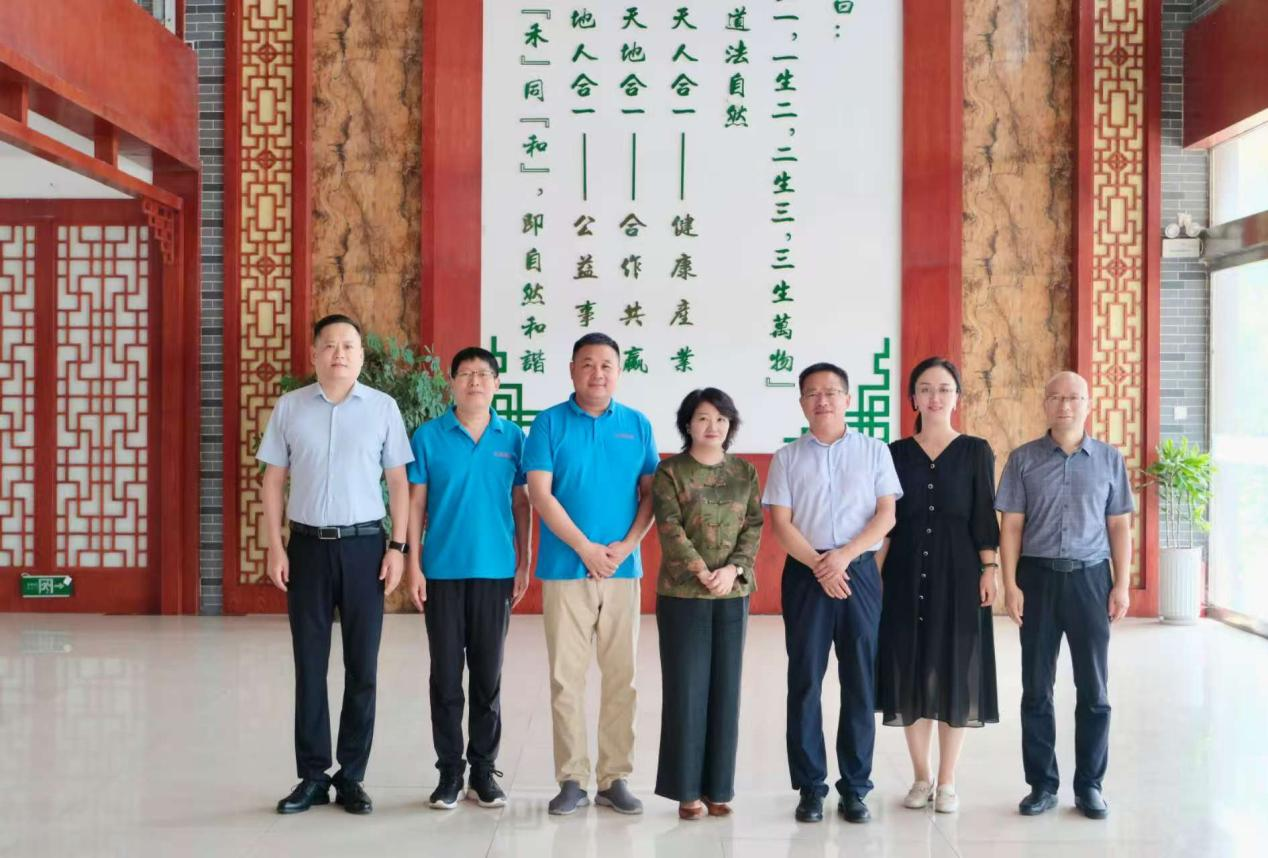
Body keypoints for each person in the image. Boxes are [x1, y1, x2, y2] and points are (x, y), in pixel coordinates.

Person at [258, 314, 413, 816]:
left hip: (365, 548)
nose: (339, 354)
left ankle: (351, 776)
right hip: (306, 547)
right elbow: (273, 481)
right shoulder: (290, 407)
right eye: (329, 345)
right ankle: (311, 775)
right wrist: (275, 546)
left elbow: (398, 484)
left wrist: (398, 548)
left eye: (348, 345)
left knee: (361, 665)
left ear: (361, 355)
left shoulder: (383, 408)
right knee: (309, 664)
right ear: (314, 354)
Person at [523, 333, 659, 816]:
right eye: (587, 364)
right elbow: (540, 494)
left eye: (606, 365)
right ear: (571, 370)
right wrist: (585, 548)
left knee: (623, 677)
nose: (597, 373)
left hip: (622, 571)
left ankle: (614, 777)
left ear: (618, 372)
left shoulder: (637, 425)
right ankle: (572, 780)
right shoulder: (548, 423)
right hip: (566, 570)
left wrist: (626, 546)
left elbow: (650, 495)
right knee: (567, 679)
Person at [763, 362, 902, 824]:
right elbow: (781, 524)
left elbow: (886, 516)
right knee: (805, 680)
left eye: (831, 392)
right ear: (802, 402)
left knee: (859, 681)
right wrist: (820, 565)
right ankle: (810, 787)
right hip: (806, 574)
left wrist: (843, 557)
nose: (822, 400)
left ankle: (856, 788)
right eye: (812, 393)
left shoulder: (874, 451)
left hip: (858, 572)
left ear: (848, 399)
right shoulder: (787, 457)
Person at [997, 371, 1134, 820]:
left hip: (1090, 580)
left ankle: (1090, 785)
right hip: (1036, 579)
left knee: (1094, 689)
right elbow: (1011, 526)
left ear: (1088, 404)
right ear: (1045, 404)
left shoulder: (1109, 460)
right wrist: (1011, 583)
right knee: (1036, 688)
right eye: (1055, 397)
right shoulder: (1023, 459)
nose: (1065, 405)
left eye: (1074, 397)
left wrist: (1121, 583)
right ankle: (1041, 784)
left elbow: (1119, 526)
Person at [403, 346, 531, 811]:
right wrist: (414, 564)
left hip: (495, 572)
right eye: (465, 374)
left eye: (483, 374)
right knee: (444, 677)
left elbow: (522, 504)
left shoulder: (513, 437)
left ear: (497, 384)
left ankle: (482, 769)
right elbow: (416, 503)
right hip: (442, 572)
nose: (475, 381)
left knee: (487, 676)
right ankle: (449, 772)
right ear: (452, 382)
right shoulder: (428, 436)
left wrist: (524, 562)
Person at [875, 357, 1000, 815]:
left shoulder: (975, 451)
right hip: (904, 571)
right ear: (913, 398)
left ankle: (947, 781)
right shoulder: (893, 453)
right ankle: (921, 776)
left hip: (959, 572)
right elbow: (887, 522)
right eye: (925, 389)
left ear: (957, 398)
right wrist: (875, 578)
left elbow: (984, 515)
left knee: (954, 670)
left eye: (944, 389)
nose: (934, 396)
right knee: (909, 667)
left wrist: (990, 569)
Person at [651, 388, 763, 820]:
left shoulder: (745, 472)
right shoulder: (670, 472)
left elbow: (754, 525)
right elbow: (670, 527)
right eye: (702, 418)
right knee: (687, 690)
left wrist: (733, 570)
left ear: (730, 425)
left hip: (732, 594)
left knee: (725, 690)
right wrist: (702, 571)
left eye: (720, 419)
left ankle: (718, 788)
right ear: (687, 424)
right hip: (684, 595)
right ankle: (686, 791)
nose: (712, 426)